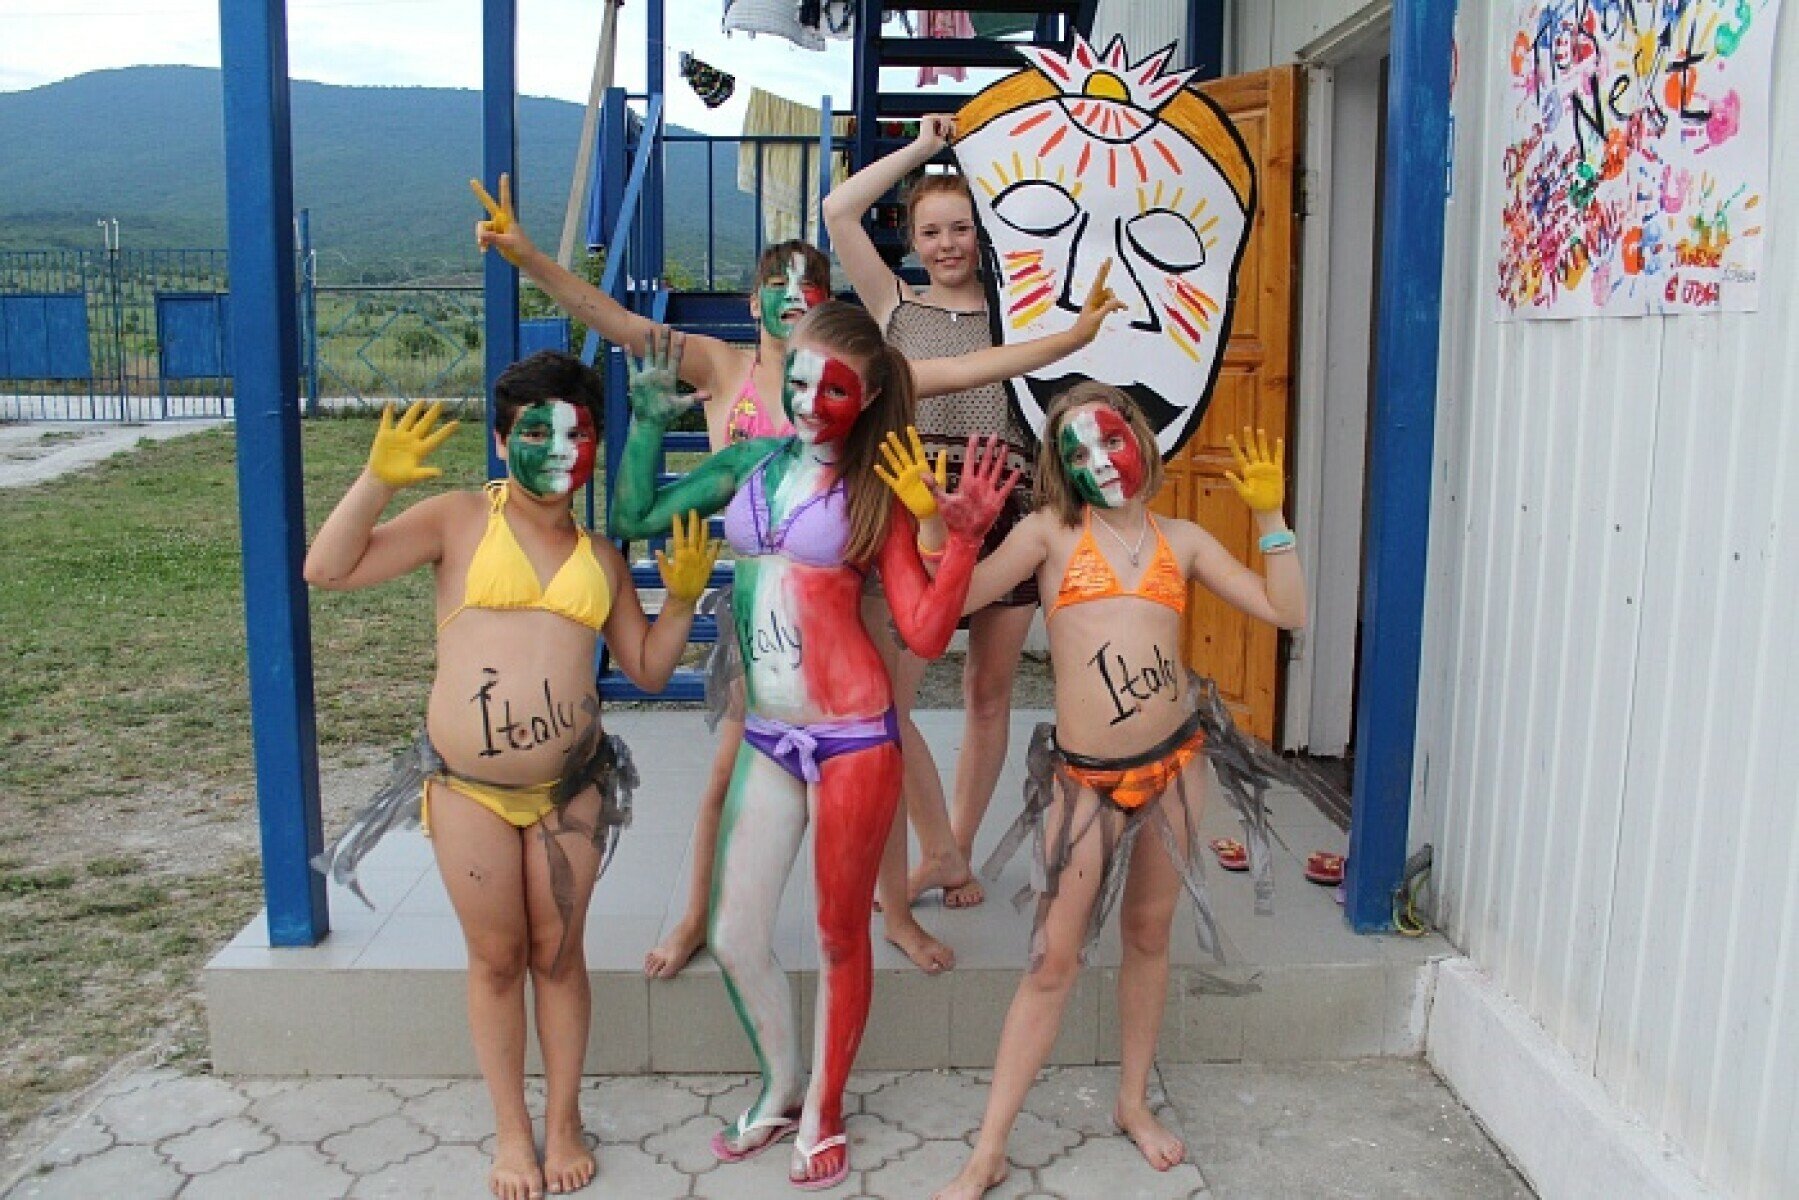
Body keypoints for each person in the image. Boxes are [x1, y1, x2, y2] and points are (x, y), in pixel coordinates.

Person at [475, 174, 1120, 978]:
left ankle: (895, 910)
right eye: (775, 285)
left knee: (879, 752)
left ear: (825, 304)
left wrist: (1073, 339)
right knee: (728, 772)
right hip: (765, 610)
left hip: (857, 595)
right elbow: (614, 320)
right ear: (754, 302)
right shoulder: (720, 366)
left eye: (808, 285)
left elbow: (976, 366)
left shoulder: (862, 374)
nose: (792, 296)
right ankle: (695, 916)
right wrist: (529, 258)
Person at [609, 310, 1018, 1190]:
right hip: (767, 731)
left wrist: (959, 540)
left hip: (853, 737)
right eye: (797, 379)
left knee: (838, 933)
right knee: (733, 931)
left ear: (865, 398)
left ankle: (824, 1109)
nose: (806, 399)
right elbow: (634, 513)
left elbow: (923, 630)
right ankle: (780, 1085)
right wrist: (644, 424)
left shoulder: (877, 491)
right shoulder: (750, 464)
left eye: (832, 388)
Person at [305, 352, 717, 1200]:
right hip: (467, 790)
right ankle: (510, 1130)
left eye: (577, 433)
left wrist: (679, 602)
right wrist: (376, 482)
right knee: (497, 960)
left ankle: (563, 1120)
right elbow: (328, 569)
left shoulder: (600, 556)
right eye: (537, 432)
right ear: (501, 441)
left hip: (573, 789)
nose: (559, 450)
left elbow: (646, 670)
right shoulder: (458, 520)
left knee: (557, 956)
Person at [883, 383, 1307, 1199]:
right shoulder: (1048, 533)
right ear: (1061, 469)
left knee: (1147, 935)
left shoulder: (1181, 540)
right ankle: (988, 1149)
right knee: (1052, 959)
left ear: (1139, 439)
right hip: (1084, 784)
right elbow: (951, 602)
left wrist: (1269, 519)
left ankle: (1131, 1103)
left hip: (1176, 767)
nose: (1098, 461)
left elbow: (1285, 611)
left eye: (1108, 439)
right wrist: (942, 529)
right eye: (1076, 452)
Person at [822, 114, 1039, 912]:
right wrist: (921, 149)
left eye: (961, 228)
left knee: (988, 692)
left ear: (984, 233)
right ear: (911, 239)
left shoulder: (1021, 312)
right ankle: (936, 846)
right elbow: (837, 212)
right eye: (931, 230)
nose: (947, 244)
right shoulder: (893, 305)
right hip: (915, 511)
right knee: (890, 694)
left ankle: (959, 851)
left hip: (1005, 507)